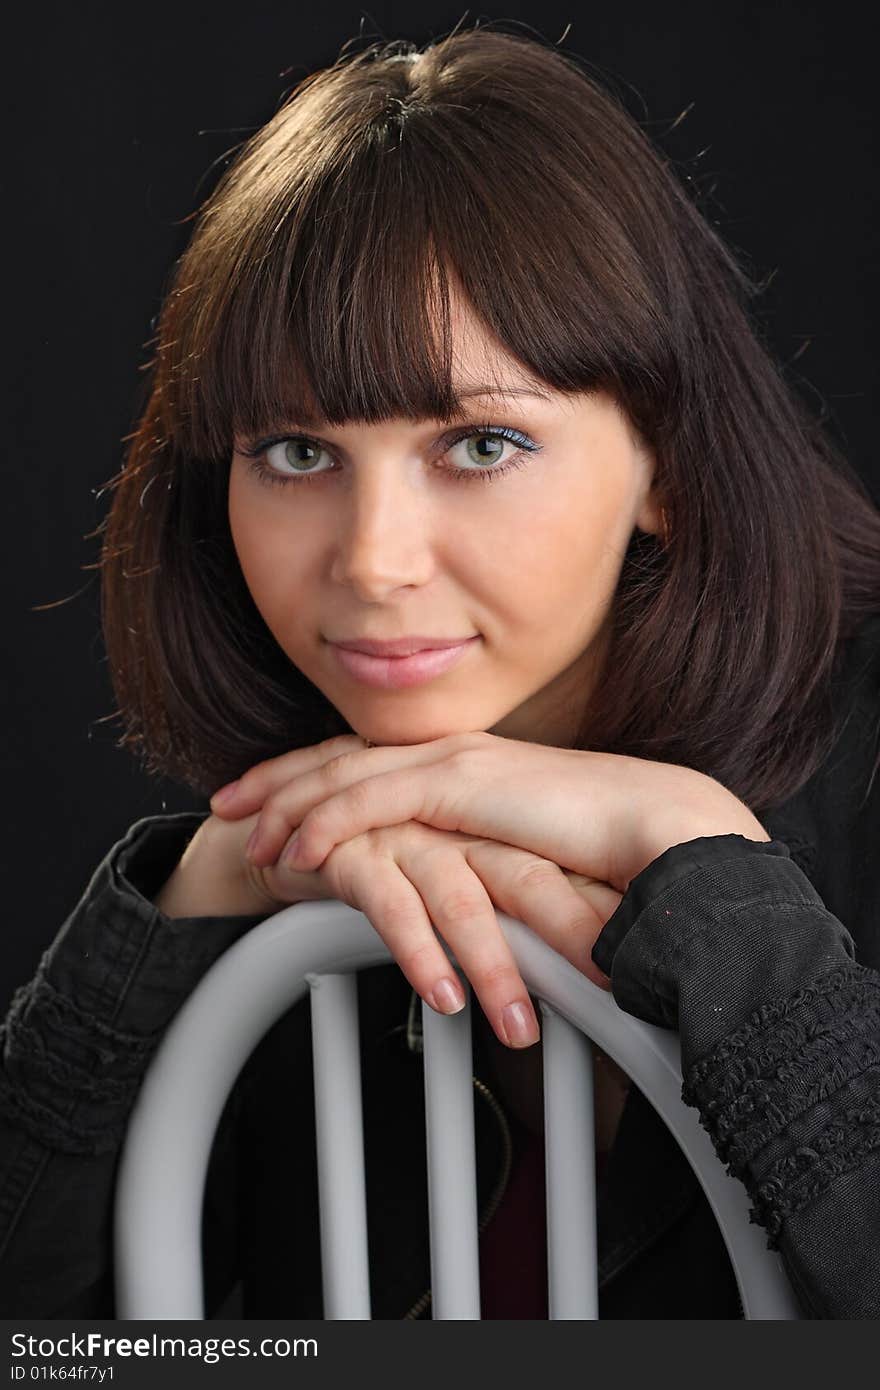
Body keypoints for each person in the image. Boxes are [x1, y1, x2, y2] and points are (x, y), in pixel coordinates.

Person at [2, 23, 880, 1320]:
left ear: (670, 473)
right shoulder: (296, 855)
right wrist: (206, 887)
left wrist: (701, 867)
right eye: (297, 452)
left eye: (478, 444)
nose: (373, 561)